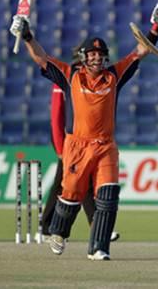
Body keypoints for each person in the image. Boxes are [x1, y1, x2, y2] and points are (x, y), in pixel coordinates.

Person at [10, 1, 158, 260]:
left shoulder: (115, 75)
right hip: (77, 145)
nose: (97, 58)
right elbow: (41, 58)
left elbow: (141, 51)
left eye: (100, 54)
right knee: (71, 195)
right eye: (92, 54)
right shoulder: (70, 74)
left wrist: (157, 27)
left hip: (106, 146)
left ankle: (99, 247)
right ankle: (58, 232)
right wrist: (27, 35)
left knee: (108, 196)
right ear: (84, 57)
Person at [41, 47, 119, 242]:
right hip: (70, 143)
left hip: (85, 142)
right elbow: (56, 115)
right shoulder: (69, 78)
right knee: (67, 186)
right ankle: (47, 226)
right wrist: (60, 147)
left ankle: (91, 225)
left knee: (79, 185)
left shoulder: (94, 79)